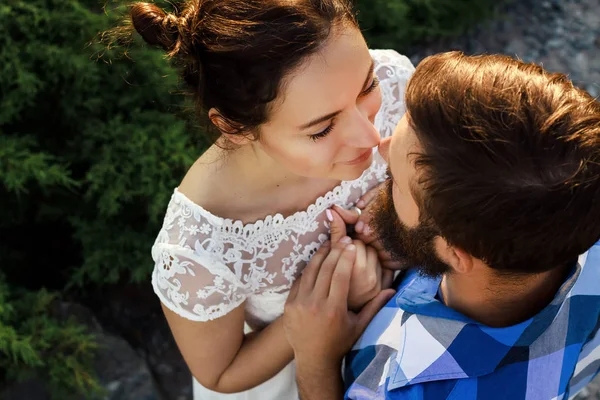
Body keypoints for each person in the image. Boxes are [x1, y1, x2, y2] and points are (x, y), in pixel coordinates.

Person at [124, 0, 414, 398]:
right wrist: (313, 320)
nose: (370, 137)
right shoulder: (198, 248)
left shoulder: (396, 81)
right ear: (234, 127)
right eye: (322, 129)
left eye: (367, 87)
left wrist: (403, 218)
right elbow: (220, 375)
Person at [283, 51, 600, 399]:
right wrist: (412, 244)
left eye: (395, 181)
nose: (381, 148)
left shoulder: (401, 390)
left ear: (454, 252)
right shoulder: (579, 212)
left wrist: (316, 360)